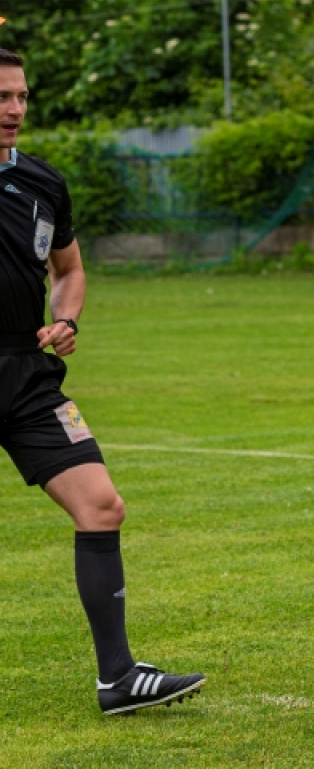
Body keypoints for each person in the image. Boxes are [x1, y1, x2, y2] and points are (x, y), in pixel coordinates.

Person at [0, 46, 206, 715]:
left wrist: (66, 318)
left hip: (26, 374)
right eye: (3, 97)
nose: (14, 109)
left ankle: (117, 678)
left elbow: (70, 269)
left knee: (102, 505)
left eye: (22, 97)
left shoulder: (42, 182)